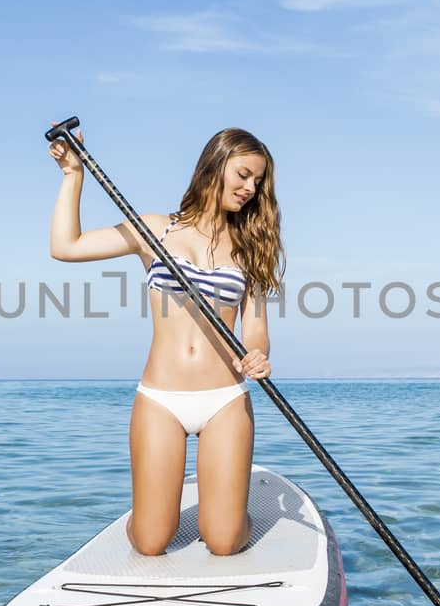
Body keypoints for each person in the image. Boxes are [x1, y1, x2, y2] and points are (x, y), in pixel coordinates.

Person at [48, 126, 284, 557]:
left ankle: (233, 506)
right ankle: (149, 512)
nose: (250, 188)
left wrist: (259, 355)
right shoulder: (156, 230)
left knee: (225, 541)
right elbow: (67, 247)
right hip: (161, 399)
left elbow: (255, 327)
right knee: (152, 542)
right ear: (216, 164)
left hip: (225, 400)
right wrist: (73, 175)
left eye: (258, 182)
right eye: (244, 174)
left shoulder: (248, 248)